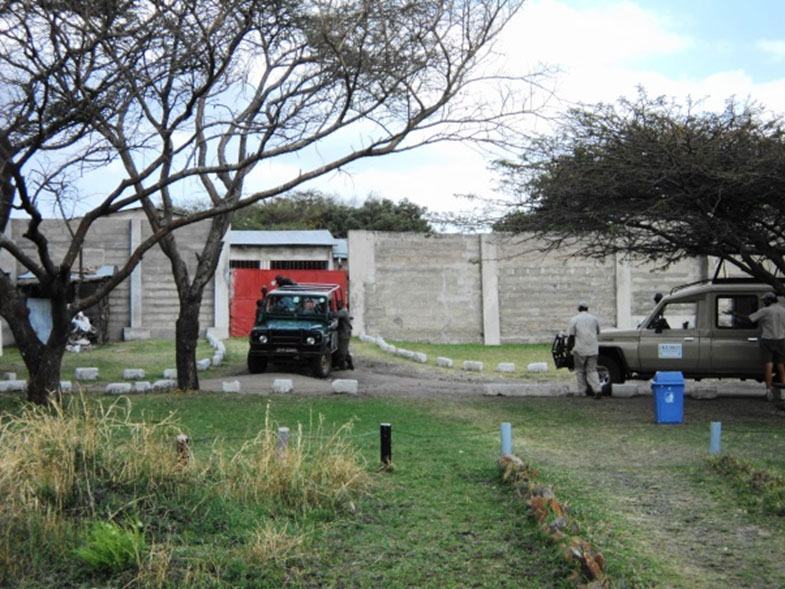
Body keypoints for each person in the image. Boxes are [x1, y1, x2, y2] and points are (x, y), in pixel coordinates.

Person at [726, 292, 785, 399]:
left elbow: (749, 319)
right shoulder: (783, 310)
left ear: (769, 300)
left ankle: (768, 391)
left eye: (765, 301)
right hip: (781, 340)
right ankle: (784, 390)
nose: (764, 302)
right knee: (781, 365)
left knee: (769, 366)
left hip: (768, 340)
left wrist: (734, 313)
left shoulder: (766, 310)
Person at [567, 301, 602, 398]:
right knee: (592, 370)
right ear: (587, 309)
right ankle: (597, 389)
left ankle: (582, 392)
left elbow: (571, 336)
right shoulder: (594, 319)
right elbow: (598, 332)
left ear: (579, 309)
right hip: (593, 349)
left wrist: (568, 349)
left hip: (580, 349)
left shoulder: (574, 320)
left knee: (580, 370)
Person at [335, 301, 354, 370]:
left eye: (338, 305)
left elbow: (335, 315)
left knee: (342, 351)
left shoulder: (343, 311)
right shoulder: (343, 311)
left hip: (344, 333)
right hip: (344, 332)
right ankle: (350, 364)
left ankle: (342, 366)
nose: (337, 306)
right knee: (344, 349)